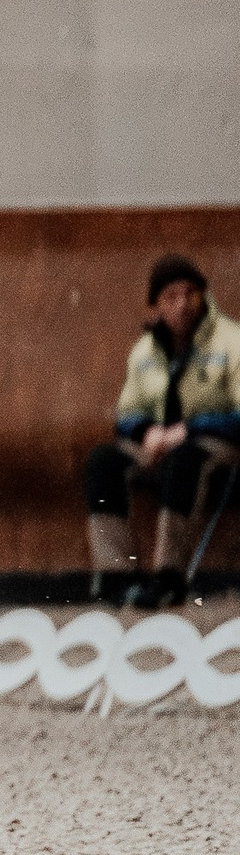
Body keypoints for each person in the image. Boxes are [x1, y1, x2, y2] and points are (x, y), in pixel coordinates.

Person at [84, 253, 240, 605]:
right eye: (171, 297)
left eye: (190, 294)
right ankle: (115, 576)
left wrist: (190, 429)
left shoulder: (231, 341)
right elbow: (127, 412)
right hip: (160, 440)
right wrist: (146, 433)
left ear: (203, 296)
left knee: (186, 462)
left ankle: (169, 577)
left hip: (218, 441)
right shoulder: (145, 350)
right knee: (104, 462)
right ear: (156, 306)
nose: (182, 305)